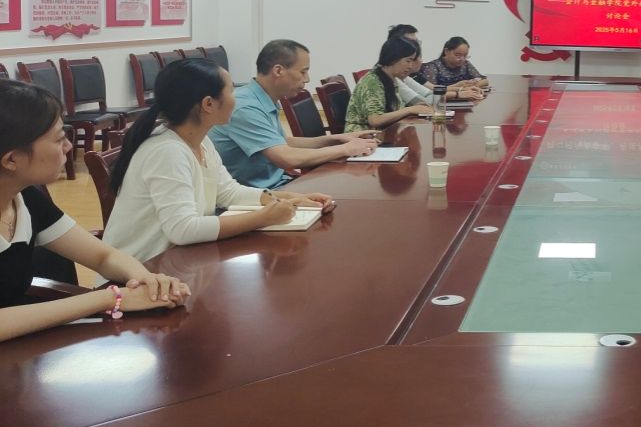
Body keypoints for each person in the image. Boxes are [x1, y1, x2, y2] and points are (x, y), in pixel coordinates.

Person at [0, 80, 190, 342]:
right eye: (59, 139)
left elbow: (103, 256)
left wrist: (147, 283)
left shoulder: (25, 198)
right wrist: (111, 298)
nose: (68, 147)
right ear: (11, 159)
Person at [103, 59, 334, 266]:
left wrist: (290, 198)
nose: (237, 98)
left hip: (179, 264)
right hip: (141, 273)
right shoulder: (167, 151)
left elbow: (228, 193)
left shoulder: (200, 141)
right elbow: (183, 229)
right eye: (232, 91)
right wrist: (264, 217)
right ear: (208, 104)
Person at [210, 39, 378, 188]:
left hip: (279, 183)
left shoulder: (263, 98)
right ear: (278, 71)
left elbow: (281, 142)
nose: (307, 79)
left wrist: (337, 139)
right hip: (258, 195)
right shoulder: (245, 106)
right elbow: (286, 158)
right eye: (303, 72)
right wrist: (345, 149)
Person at [345, 37, 440, 132]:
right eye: (408, 61)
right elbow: (375, 120)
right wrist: (410, 110)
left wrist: (418, 107)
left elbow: (395, 110)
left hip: (384, 131)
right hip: (362, 135)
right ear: (393, 59)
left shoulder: (391, 79)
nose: (410, 66)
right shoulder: (373, 81)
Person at [387, 26, 482, 104]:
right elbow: (423, 101)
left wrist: (461, 89)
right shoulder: (390, 75)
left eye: (417, 42)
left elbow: (431, 91)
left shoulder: (407, 76)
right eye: (412, 42)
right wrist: (458, 93)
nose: (416, 46)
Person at [420, 36, 488, 91]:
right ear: (446, 51)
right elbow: (431, 91)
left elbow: (485, 81)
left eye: (465, 55)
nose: (462, 59)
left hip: (464, 98)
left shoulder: (465, 64)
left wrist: (472, 85)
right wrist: (460, 88)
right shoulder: (433, 67)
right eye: (457, 55)